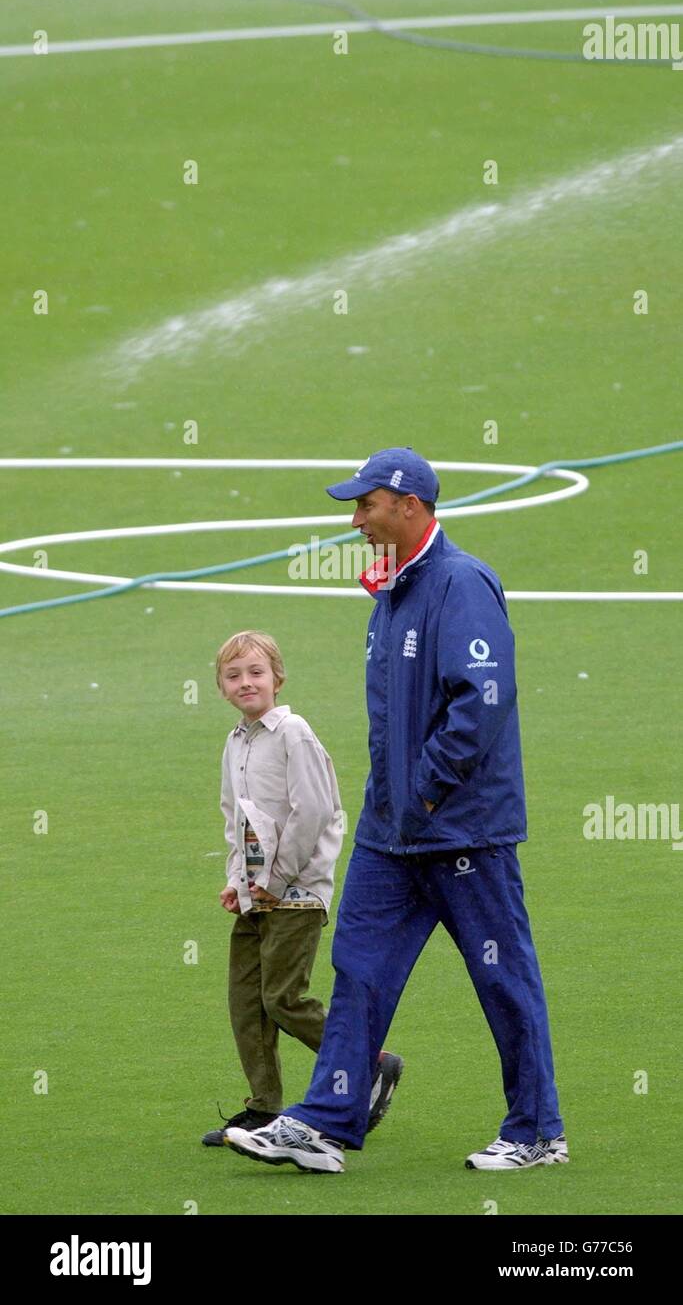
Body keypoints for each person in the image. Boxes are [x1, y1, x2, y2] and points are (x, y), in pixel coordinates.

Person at [225, 449, 567, 1174]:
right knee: (359, 971)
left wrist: (426, 793)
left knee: (501, 978)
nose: (355, 519)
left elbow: (480, 703)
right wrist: (395, 806)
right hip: (394, 834)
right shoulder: (392, 592)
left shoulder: (460, 584)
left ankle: (536, 1131)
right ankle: (323, 1122)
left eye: (365, 505)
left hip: (461, 828)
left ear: (408, 505)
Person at [202, 629, 403, 1147]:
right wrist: (238, 880)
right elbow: (236, 818)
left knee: (282, 998)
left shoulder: (294, 732)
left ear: (277, 678)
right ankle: (263, 1107)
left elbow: (313, 812)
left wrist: (274, 880)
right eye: (233, 675)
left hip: (296, 893)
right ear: (222, 688)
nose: (246, 682)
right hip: (257, 892)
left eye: (256, 672)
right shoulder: (235, 742)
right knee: (246, 1001)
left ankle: (371, 1064)